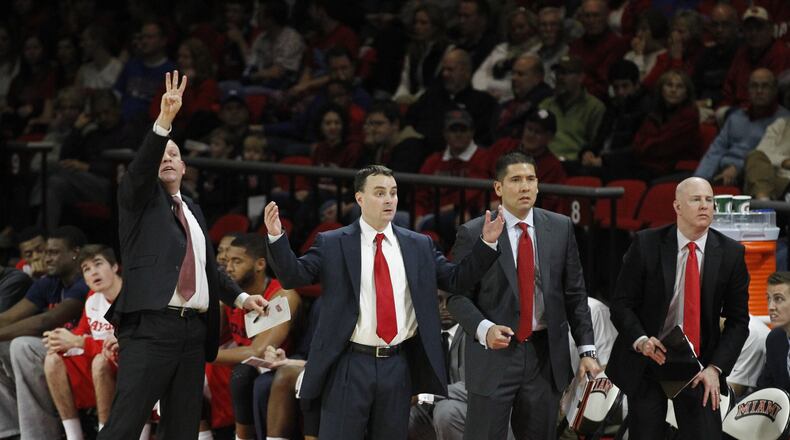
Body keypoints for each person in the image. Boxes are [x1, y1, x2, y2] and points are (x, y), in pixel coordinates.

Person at [262, 164, 505, 439]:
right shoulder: (333, 243)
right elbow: (294, 276)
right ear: (360, 198)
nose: (389, 199)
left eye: (393, 192)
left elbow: (456, 279)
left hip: (397, 363)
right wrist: (276, 237)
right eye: (379, 193)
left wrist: (486, 244)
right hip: (349, 362)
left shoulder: (419, 244)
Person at [97, 71, 267, 440]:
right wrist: (163, 123)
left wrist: (240, 297)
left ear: (185, 167)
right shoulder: (137, 200)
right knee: (125, 423)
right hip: (152, 326)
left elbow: (206, 266)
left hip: (194, 331)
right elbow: (142, 169)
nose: (167, 158)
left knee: (183, 429)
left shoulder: (192, 209)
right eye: (161, 154)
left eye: (174, 154)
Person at [447, 151, 600, 440]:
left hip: (544, 356)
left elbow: (575, 293)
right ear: (498, 188)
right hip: (494, 355)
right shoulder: (473, 232)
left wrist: (587, 350)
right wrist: (485, 328)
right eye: (515, 180)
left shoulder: (560, 227)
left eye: (530, 179)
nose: (525, 186)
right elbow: (457, 298)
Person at [607, 177, 750, 439]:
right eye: (696, 199)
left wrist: (715, 368)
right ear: (677, 206)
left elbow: (738, 321)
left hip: (699, 364)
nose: (705, 205)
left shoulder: (731, 254)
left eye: (710, 200)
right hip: (650, 356)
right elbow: (621, 304)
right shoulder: (646, 244)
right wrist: (640, 340)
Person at [42, 244, 147, 440]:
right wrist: (62, 340)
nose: (93, 273)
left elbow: (135, 346)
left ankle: (105, 434)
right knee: (52, 359)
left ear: (115, 267)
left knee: (100, 362)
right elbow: (83, 333)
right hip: (105, 367)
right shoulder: (92, 298)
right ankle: (74, 435)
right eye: (87, 269)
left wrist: (80, 342)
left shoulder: (134, 296)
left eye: (98, 264)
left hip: (135, 368)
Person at [0, 225, 89, 439]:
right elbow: (10, 317)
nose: (46, 258)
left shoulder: (84, 281)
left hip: (83, 351)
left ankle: (40, 435)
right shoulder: (50, 282)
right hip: (57, 352)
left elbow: (45, 321)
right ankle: (12, 432)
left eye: (54, 253)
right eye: (46, 253)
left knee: (23, 346)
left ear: (75, 253)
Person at [695, 69, 788, 186]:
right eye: (754, 86)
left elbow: (771, 157)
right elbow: (716, 151)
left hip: (758, 178)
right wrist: (699, 180)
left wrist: (738, 169)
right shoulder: (736, 117)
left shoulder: (784, 121)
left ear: (775, 90)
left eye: (765, 86)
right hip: (722, 172)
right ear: (748, 90)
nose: (759, 91)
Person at [758, 272, 790, 390]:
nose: (771, 307)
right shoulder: (775, 339)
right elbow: (766, 389)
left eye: (778, 299)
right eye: (768, 298)